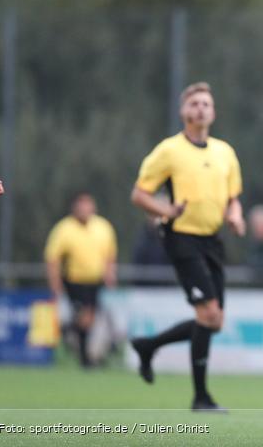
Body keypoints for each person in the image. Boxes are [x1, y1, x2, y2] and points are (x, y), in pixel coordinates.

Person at [129, 81, 245, 412]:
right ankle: (201, 398)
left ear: (214, 112)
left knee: (214, 320)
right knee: (208, 314)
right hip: (181, 237)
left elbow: (233, 198)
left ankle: (149, 345)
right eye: (193, 103)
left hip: (213, 240)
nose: (200, 108)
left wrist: (235, 216)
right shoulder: (168, 150)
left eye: (205, 104)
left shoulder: (225, 152)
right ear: (183, 112)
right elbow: (139, 194)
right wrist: (166, 211)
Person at [44, 192, 117, 367]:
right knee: (85, 317)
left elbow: (110, 254)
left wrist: (110, 273)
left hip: (95, 281)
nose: (85, 211)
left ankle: (70, 332)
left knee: (89, 318)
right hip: (74, 280)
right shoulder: (64, 228)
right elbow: (52, 257)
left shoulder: (103, 226)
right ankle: (85, 358)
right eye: (82, 207)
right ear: (75, 209)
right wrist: (54, 281)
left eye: (88, 207)